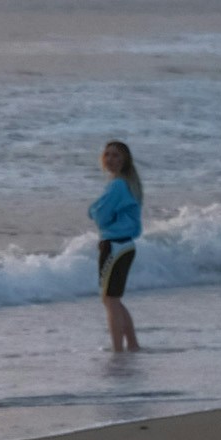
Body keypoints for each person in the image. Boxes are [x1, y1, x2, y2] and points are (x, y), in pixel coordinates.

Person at [90, 140, 143, 353]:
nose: (111, 159)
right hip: (125, 245)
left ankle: (117, 350)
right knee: (114, 300)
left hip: (115, 245)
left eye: (116, 156)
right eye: (108, 155)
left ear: (125, 161)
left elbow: (101, 215)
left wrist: (92, 211)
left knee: (110, 300)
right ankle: (132, 344)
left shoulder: (118, 185)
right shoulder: (127, 183)